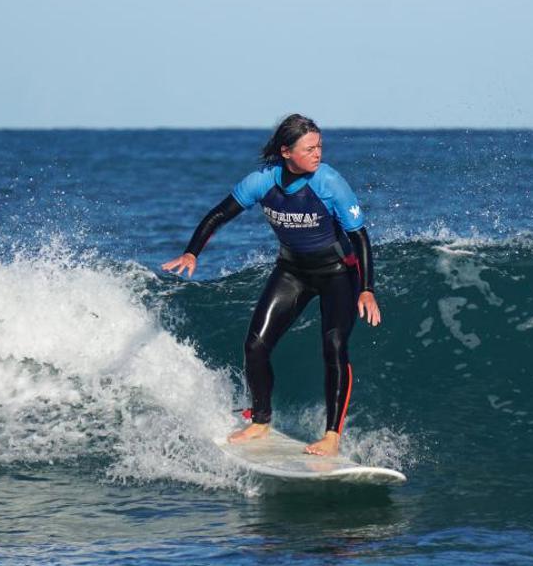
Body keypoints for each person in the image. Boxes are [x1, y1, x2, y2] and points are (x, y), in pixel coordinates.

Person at [162, 114, 380, 456]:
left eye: (320, 145)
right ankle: (261, 421)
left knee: (334, 346)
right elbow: (220, 214)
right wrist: (192, 253)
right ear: (286, 151)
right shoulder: (262, 182)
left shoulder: (329, 182)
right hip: (292, 269)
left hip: (339, 272)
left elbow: (360, 236)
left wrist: (367, 288)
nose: (317, 153)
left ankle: (332, 436)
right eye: (309, 148)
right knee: (255, 346)